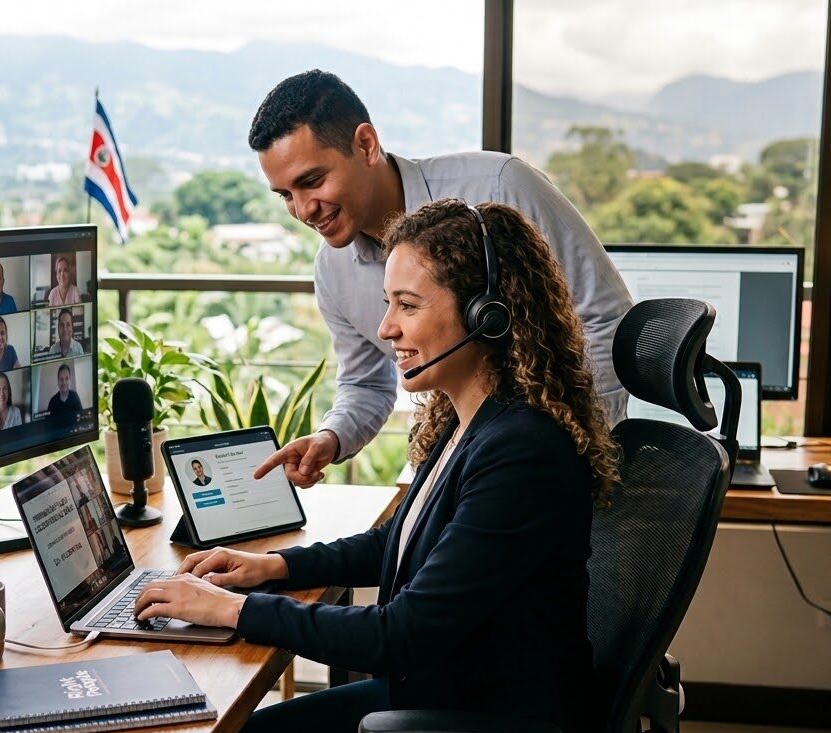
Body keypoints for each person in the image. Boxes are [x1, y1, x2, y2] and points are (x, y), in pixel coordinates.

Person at [134, 200, 618, 733]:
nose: (387, 327)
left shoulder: (522, 451)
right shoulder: (469, 419)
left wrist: (228, 610)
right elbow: (400, 543)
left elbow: (398, 634)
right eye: (389, 302)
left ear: (488, 314)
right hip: (439, 696)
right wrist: (275, 568)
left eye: (407, 305)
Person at [248, 70, 632, 490]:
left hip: (551, 462)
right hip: (456, 466)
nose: (303, 210)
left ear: (366, 145)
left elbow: (606, 320)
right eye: (286, 195)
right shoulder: (333, 269)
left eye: (312, 181)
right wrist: (330, 438)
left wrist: (571, 448)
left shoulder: (501, 186)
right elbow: (366, 383)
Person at [46, 363, 83, 429]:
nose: (64, 382)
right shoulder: (52, 401)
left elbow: (81, 417)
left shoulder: (75, 396)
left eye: (66, 378)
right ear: (58, 381)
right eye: (61, 379)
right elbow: (48, 425)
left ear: (69, 380)